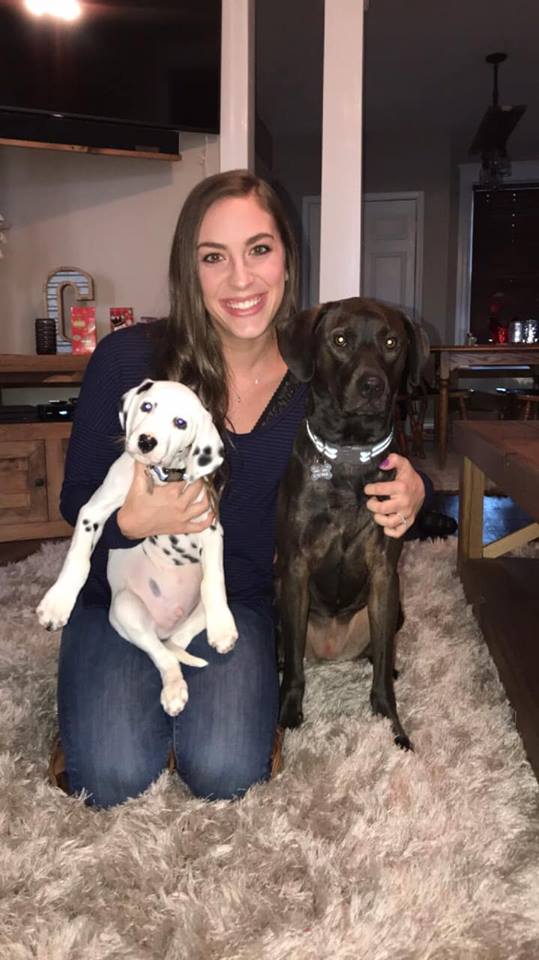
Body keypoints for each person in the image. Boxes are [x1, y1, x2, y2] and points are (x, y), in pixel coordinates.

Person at [56, 169, 430, 808]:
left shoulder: (316, 374)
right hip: (122, 592)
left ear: (287, 258)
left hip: (233, 598)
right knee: (112, 776)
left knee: (226, 771)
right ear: (189, 270)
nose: (240, 279)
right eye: (214, 257)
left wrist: (415, 485)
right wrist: (131, 521)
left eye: (259, 249)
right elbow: (76, 499)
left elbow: (363, 448)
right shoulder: (127, 359)